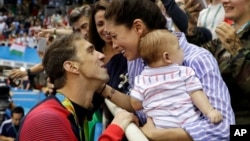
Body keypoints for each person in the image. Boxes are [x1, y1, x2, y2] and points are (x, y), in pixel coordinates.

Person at [98, 0, 235, 140]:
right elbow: (140, 107)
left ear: (138, 27)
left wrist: (158, 135)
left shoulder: (198, 60)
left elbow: (224, 129)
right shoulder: (135, 60)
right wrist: (101, 88)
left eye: (115, 36)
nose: (113, 45)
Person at [17, 33, 138, 141]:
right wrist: (116, 128)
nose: (101, 55)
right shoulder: (47, 120)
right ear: (72, 67)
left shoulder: (70, 114)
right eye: (90, 51)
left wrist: (99, 86)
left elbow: (134, 104)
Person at [130, 29, 222, 129]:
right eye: (179, 48)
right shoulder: (184, 72)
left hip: (161, 129)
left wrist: (152, 104)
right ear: (167, 57)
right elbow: (196, 93)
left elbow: (135, 104)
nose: (182, 50)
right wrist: (210, 111)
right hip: (190, 124)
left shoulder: (142, 79)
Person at [200, 0, 250, 124]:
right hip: (216, 120)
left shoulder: (232, 37)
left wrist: (236, 51)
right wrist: (189, 26)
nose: (224, 1)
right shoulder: (227, 33)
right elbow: (195, 56)